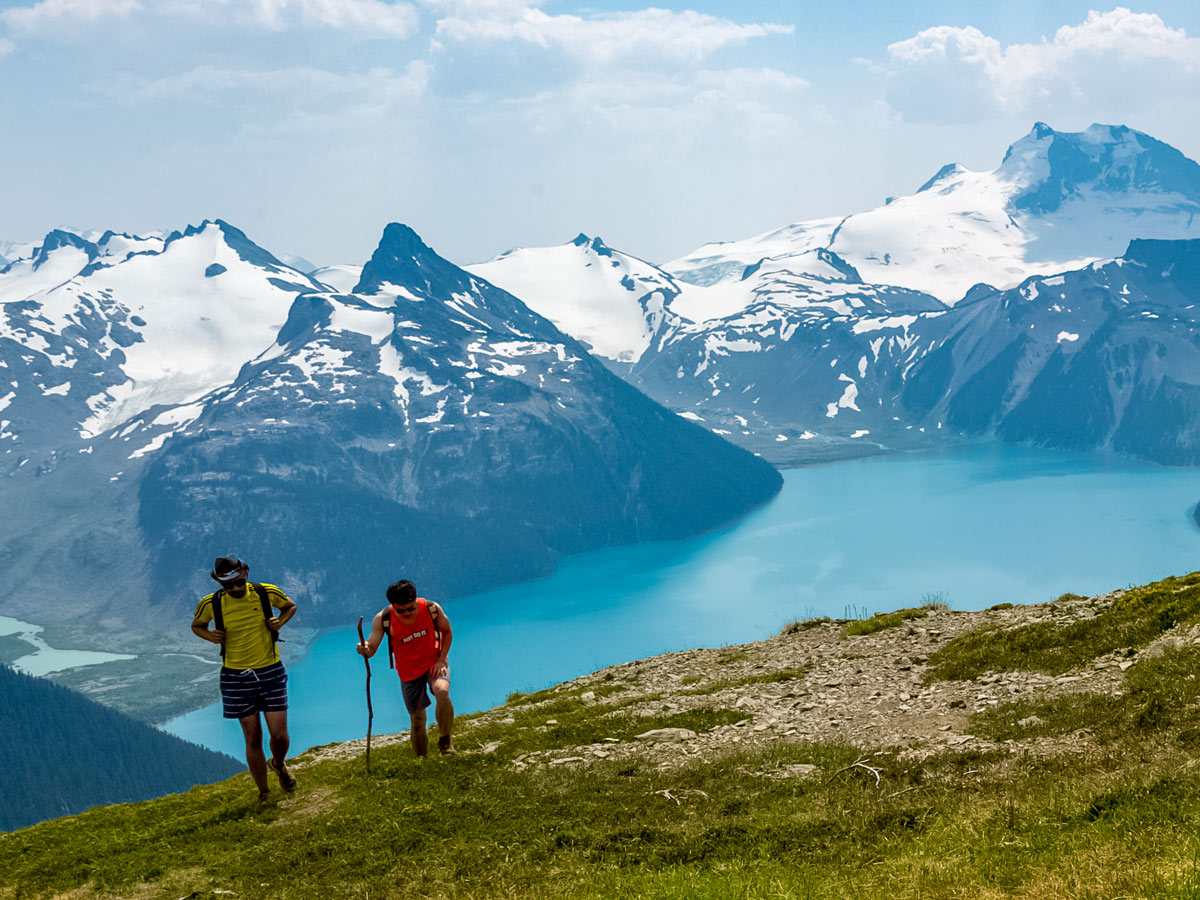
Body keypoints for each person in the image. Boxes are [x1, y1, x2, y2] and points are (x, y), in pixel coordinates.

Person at [191, 556, 298, 804]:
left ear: (246, 573)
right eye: (229, 586)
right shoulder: (211, 603)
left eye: (239, 582)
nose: (236, 589)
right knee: (253, 738)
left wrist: (278, 622)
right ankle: (265, 794)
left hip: (270, 670)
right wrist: (211, 636)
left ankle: (279, 765)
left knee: (279, 736)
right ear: (219, 583)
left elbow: (290, 606)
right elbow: (197, 625)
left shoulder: (265, 592)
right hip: (235, 676)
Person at [358, 579, 454, 757]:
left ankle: (445, 743)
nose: (407, 613)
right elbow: (371, 647)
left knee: (442, 691)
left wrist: (441, 659)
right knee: (417, 719)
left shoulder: (431, 608)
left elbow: (447, 631)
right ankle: (421, 760)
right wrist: (364, 648)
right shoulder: (383, 619)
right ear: (392, 606)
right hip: (408, 672)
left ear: (416, 601)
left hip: (434, 662)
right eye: (401, 610)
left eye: (411, 608)